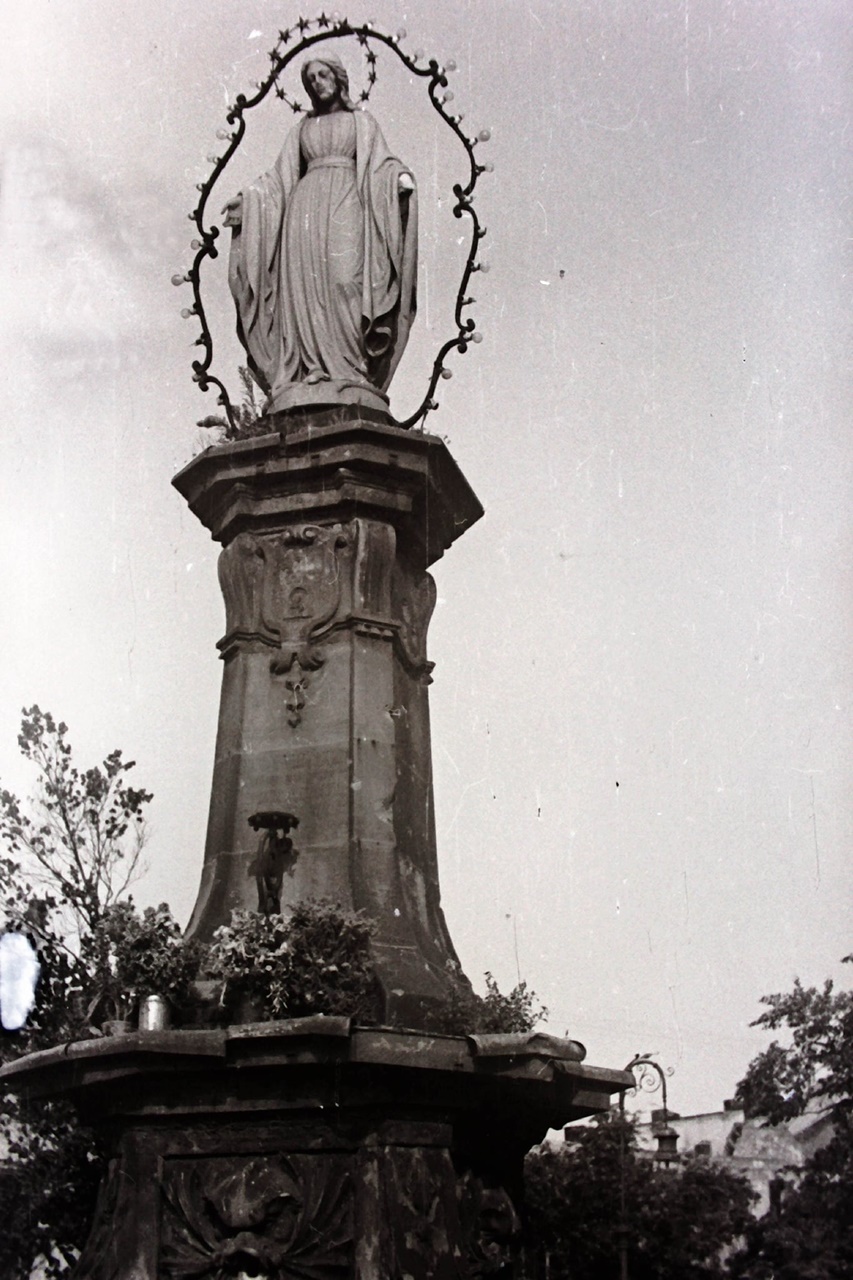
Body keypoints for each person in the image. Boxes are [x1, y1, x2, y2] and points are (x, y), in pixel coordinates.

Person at [223, 53, 417, 415]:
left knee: (345, 282)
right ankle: (311, 368)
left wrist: (397, 180)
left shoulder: (362, 122)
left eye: (322, 75)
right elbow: (277, 181)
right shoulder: (300, 130)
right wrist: (248, 203)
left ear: (338, 78)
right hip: (305, 213)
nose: (317, 83)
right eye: (310, 79)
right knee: (308, 290)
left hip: (347, 204)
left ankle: (351, 369)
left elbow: (381, 165)